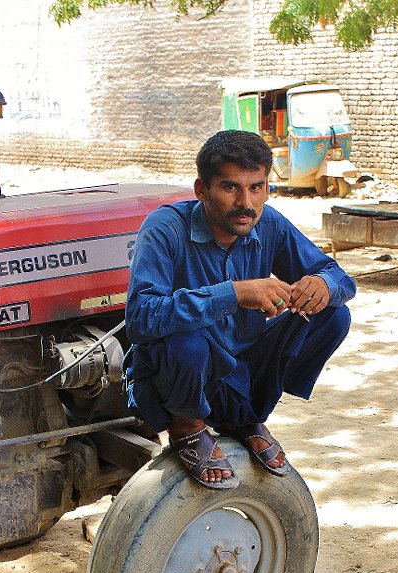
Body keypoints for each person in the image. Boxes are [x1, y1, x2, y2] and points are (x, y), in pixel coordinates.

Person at [124, 130, 356, 489]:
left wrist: (324, 285)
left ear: (267, 187)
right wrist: (233, 294)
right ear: (202, 190)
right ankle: (187, 425)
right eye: (230, 188)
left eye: (257, 187)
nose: (246, 203)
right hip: (177, 371)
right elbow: (141, 319)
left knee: (333, 314)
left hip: (240, 365)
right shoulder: (165, 227)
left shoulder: (269, 222)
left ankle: (245, 418)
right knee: (185, 341)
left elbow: (341, 278)